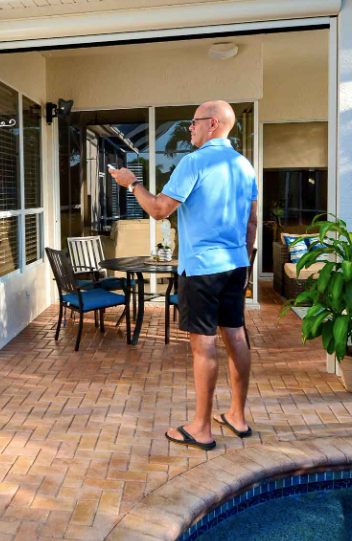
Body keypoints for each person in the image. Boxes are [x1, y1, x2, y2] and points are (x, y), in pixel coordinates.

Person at [108, 100, 257, 450]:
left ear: (214, 123)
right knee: (235, 336)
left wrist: (132, 184)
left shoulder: (194, 162)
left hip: (203, 268)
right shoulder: (245, 165)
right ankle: (237, 416)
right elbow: (251, 222)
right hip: (235, 264)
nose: (190, 128)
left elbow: (160, 209)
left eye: (194, 122)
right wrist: (247, 265)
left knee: (203, 345)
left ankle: (202, 429)